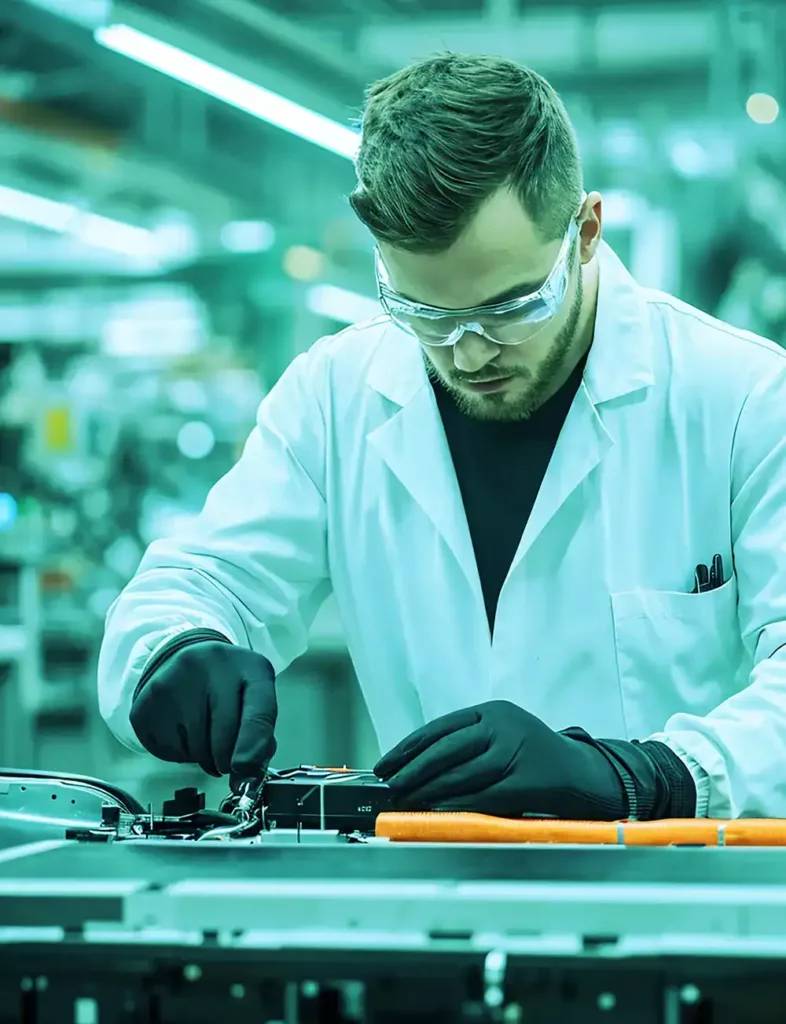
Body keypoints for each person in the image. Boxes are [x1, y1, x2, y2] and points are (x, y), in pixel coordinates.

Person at [98, 54, 786, 822]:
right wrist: (176, 651)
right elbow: (197, 583)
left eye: (511, 306)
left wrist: (646, 776)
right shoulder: (336, 395)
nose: (468, 352)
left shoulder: (745, 399)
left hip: (679, 911)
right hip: (431, 903)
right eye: (424, 313)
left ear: (585, 232)